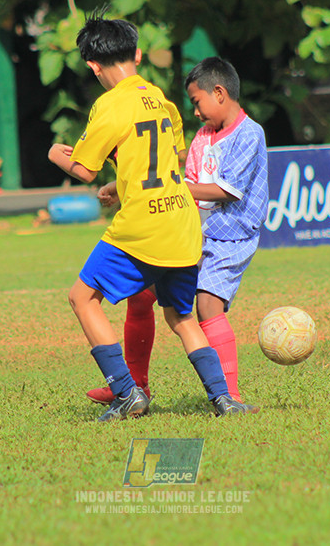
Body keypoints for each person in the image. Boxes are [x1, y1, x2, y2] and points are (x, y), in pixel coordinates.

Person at [48, 12, 258, 420]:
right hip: (182, 225)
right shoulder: (161, 99)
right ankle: (223, 398)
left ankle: (127, 392)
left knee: (82, 297)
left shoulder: (109, 105)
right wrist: (119, 184)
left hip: (143, 226)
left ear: (93, 65)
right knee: (180, 316)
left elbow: (85, 169)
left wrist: (56, 154)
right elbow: (169, 163)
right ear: (137, 54)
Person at [85, 56, 268, 405]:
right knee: (141, 298)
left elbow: (224, 191)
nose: (195, 112)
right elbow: (173, 175)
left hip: (231, 237)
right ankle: (135, 385)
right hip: (191, 231)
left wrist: (170, 191)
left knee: (207, 308)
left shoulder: (250, 133)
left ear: (219, 92)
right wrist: (120, 185)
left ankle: (228, 394)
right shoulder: (202, 136)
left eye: (197, 102)